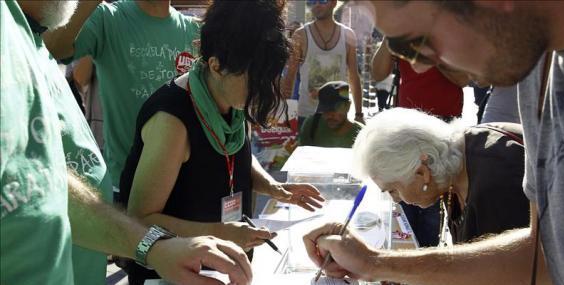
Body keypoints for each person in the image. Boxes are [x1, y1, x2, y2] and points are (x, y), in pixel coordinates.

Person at [304, 1, 564, 284]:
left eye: (416, 41)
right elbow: (543, 254)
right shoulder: (539, 74)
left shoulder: (496, 175)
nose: (418, 67)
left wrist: (377, 264)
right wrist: (373, 263)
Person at [0, 1, 251, 285]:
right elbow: (59, 46)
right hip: (127, 189)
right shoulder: (104, 18)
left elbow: (42, 178)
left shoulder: (21, 34)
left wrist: (153, 247)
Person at [118, 1, 325, 284]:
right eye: (255, 79)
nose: (262, 89)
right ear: (215, 65)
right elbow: (140, 219)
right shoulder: (172, 122)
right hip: (171, 274)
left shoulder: (230, 97)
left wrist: (273, 187)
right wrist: (222, 232)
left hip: (219, 267)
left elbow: (237, 154)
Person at [43, 0, 201, 201]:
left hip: (185, 188)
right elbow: (51, 47)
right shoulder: (107, 18)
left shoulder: (193, 30)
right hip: (126, 189)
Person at [353, 108, 529, 245]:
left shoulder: (496, 184)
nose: (396, 200)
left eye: (393, 190)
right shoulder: (454, 167)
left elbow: (507, 270)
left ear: (422, 173)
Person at [371, 39, 470, 247]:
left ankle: (426, 256)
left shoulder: (446, 31)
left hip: (442, 126)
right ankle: (407, 253)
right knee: (403, 200)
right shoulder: (404, 31)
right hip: (406, 128)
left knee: (431, 203)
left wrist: (432, 51)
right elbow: (377, 74)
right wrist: (390, 36)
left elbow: (463, 79)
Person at [281, 0, 363, 127]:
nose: (316, 4)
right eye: (311, 1)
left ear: (334, 3)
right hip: (307, 116)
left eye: (322, 0)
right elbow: (290, 77)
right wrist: (283, 115)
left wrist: (359, 114)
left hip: (338, 116)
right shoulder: (300, 35)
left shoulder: (348, 35)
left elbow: (354, 77)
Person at [299, 81, 363, 148]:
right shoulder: (312, 126)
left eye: (334, 110)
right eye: (325, 110)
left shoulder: (362, 135)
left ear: (347, 106)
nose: (329, 115)